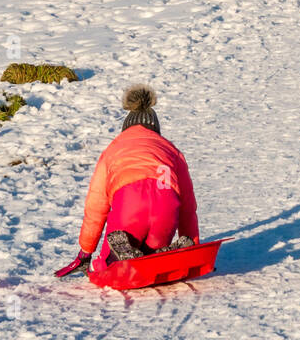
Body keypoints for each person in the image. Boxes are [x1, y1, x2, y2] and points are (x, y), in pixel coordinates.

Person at [62, 86, 200, 273]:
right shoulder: (171, 151)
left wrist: (86, 252)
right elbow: (187, 206)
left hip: (129, 206)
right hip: (166, 208)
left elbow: (96, 206)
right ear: (155, 129)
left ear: (126, 128)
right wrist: (193, 244)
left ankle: (115, 259)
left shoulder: (112, 150)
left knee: (104, 266)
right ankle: (161, 255)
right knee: (151, 256)